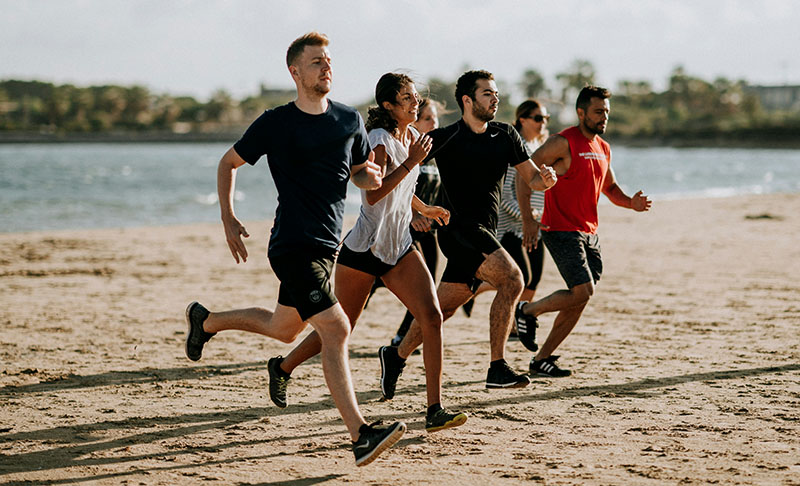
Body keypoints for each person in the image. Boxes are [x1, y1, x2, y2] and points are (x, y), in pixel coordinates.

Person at [183, 32, 405, 467]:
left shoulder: (348, 120)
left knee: (284, 329)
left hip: (327, 246)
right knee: (337, 329)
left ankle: (205, 321)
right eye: (317, 62)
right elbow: (228, 163)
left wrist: (371, 179)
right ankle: (360, 434)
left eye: (329, 61)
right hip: (291, 245)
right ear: (295, 72)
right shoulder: (276, 122)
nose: (327, 68)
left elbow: (360, 172)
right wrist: (227, 217)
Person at [267, 73, 467, 434]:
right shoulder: (378, 140)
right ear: (389, 106)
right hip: (363, 250)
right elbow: (374, 194)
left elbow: (401, 190)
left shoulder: (411, 139)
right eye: (406, 98)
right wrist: (412, 163)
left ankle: (434, 409)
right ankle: (283, 367)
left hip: (398, 247)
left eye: (415, 96)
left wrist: (424, 209)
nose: (414, 101)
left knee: (432, 317)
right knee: (341, 328)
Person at [379, 70, 558, 398]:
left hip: (484, 230)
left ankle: (396, 355)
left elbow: (531, 178)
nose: (495, 98)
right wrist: (417, 211)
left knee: (441, 310)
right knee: (513, 279)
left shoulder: (505, 135)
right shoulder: (445, 137)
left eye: (495, 93)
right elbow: (401, 174)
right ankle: (497, 368)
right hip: (458, 229)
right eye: (487, 93)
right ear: (467, 100)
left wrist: (545, 180)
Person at [515, 86, 652, 378]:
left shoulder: (603, 147)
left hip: (589, 232)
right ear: (581, 113)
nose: (604, 117)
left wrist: (632, 204)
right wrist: (528, 220)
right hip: (560, 229)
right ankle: (528, 311)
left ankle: (542, 359)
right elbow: (523, 174)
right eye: (598, 111)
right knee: (583, 290)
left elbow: (610, 189)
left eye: (606, 112)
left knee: (581, 297)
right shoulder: (561, 142)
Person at [464, 100, 552, 350]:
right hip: (510, 226)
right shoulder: (515, 147)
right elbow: (502, 196)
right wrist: (526, 217)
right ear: (522, 119)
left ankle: (480, 291)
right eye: (537, 118)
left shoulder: (541, 147)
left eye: (546, 118)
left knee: (534, 278)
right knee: (519, 276)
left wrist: (540, 217)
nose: (542, 123)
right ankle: (513, 324)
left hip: (534, 224)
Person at [388, 98, 445, 347]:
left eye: (436, 118)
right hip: (405, 230)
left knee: (426, 287)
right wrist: (414, 215)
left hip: (428, 233)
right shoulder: (408, 152)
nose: (434, 124)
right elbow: (394, 188)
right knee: (379, 283)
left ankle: (403, 334)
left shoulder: (435, 154)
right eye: (428, 119)